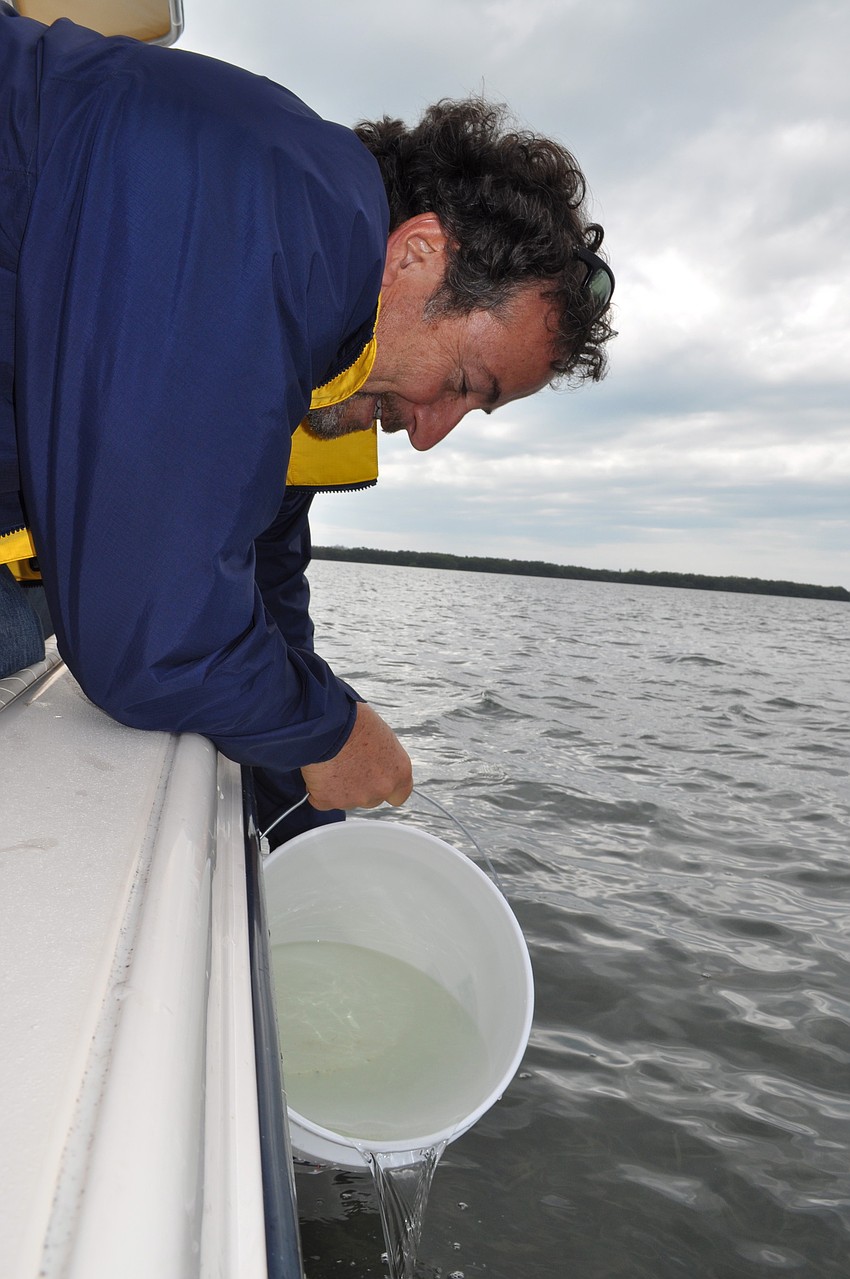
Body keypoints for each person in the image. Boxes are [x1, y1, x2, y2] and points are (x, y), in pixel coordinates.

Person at [0, 5, 614, 839]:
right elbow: (144, 631)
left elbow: (264, 583)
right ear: (420, 253)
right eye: (465, 382)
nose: (429, 433)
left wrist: (299, 810)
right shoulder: (285, 211)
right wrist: (329, 730)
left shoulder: (316, 345)